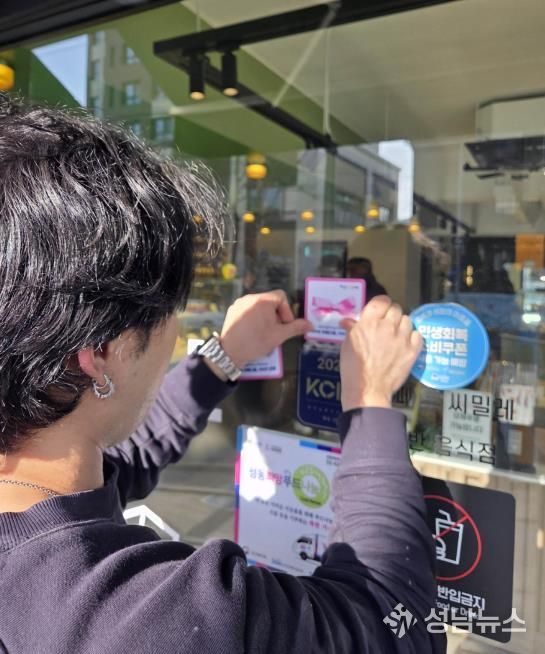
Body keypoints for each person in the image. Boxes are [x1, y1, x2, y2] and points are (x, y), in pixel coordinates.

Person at [0, 96, 445, 654]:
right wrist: (371, 400)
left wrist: (223, 356)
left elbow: (121, 457)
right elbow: (389, 620)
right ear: (102, 353)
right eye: (172, 310)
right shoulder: (143, 619)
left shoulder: (35, 484)